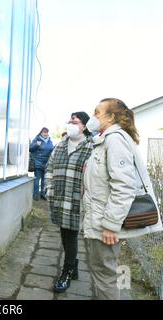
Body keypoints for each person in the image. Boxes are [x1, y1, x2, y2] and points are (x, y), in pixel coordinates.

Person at [83, 98, 163, 300]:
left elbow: (124, 186)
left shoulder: (115, 139)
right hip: (99, 220)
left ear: (111, 117)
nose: (93, 117)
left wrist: (111, 224)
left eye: (97, 112)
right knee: (102, 273)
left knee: (105, 276)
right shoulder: (105, 140)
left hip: (104, 225)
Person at [45, 112, 93, 293]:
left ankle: (67, 271)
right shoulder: (60, 146)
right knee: (64, 233)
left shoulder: (91, 147)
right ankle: (74, 265)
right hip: (58, 198)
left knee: (71, 235)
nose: (71, 124)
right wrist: (49, 189)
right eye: (69, 121)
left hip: (77, 201)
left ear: (85, 126)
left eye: (75, 121)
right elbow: (49, 167)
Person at [29, 127, 54, 201]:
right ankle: (36, 195)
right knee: (37, 179)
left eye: (46, 132)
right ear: (41, 133)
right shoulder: (37, 139)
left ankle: (43, 194)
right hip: (38, 163)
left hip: (46, 163)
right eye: (44, 132)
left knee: (44, 180)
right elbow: (30, 148)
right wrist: (36, 145)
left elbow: (52, 150)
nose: (45, 134)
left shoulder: (49, 141)